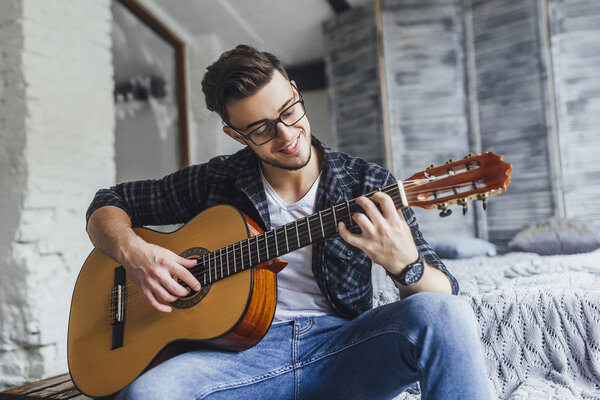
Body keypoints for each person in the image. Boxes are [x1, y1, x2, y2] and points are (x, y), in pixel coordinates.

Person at [86, 45, 492, 399]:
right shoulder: (216, 181)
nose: (286, 135)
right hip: (236, 361)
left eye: (288, 111)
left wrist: (407, 266)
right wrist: (135, 253)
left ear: (295, 92)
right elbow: (109, 202)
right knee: (147, 393)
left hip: (342, 351)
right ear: (236, 135)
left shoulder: (368, 184)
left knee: (447, 316)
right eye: (261, 130)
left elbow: (444, 293)